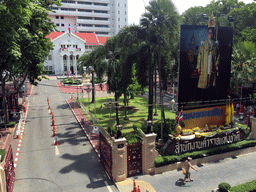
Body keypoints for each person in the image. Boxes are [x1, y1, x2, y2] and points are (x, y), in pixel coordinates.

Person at [196, 27, 220, 101]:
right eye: (209, 33)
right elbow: (199, 56)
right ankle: (203, 100)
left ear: (213, 34)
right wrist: (199, 67)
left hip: (212, 66)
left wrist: (216, 63)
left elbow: (218, 55)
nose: (210, 34)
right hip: (204, 66)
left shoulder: (215, 44)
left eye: (211, 33)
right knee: (204, 83)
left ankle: (209, 100)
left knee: (211, 83)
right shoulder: (203, 44)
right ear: (207, 34)